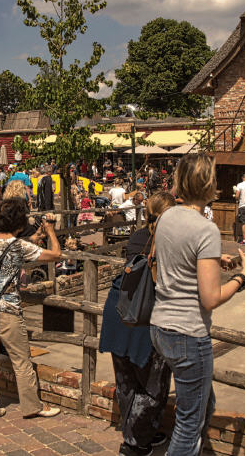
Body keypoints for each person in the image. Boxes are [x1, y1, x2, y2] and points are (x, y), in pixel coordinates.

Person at [150, 154, 245, 455]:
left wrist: (211, 259)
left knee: (203, 404)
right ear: (210, 184)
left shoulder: (166, 217)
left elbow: (170, 258)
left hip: (160, 326)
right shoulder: (205, 229)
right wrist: (242, 275)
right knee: (188, 425)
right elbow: (210, 299)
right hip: (188, 332)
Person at [99, 191, 176, 455]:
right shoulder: (167, 242)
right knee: (153, 386)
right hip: (145, 316)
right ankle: (135, 443)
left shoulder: (137, 237)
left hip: (121, 309)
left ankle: (138, 434)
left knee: (127, 382)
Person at [0, 198, 62, 421]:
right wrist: (51, 231)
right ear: (19, 221)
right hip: (8, 309)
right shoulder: (18, 246)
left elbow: (14, 246)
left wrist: (37, 235)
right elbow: (56, 255)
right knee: (21, 360)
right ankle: (32, 406)